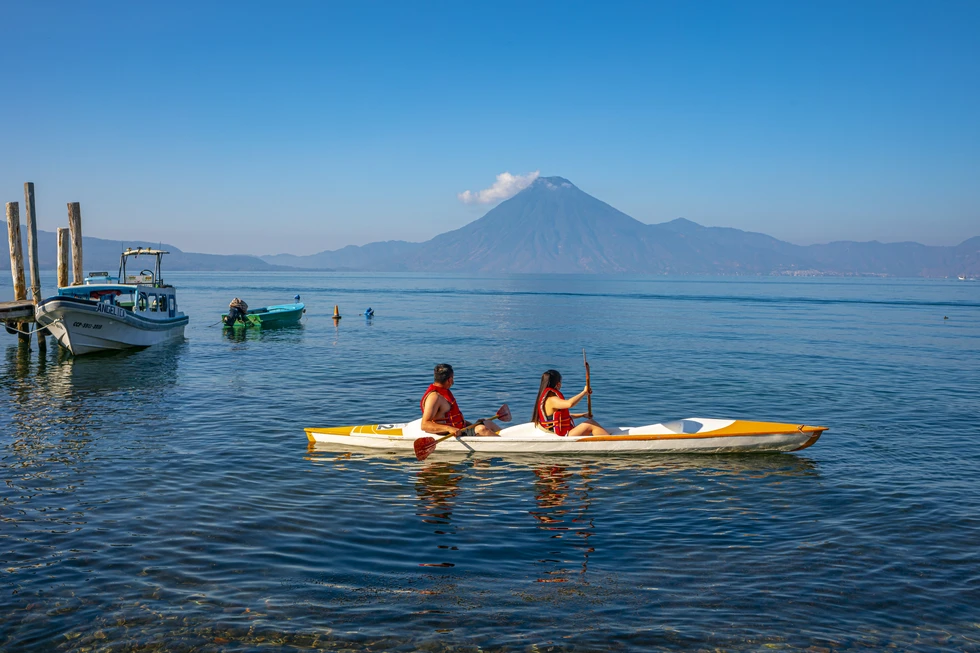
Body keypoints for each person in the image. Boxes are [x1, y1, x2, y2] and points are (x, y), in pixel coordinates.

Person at [421, 363, 501, 437]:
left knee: (487, 423)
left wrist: (473, 424)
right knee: (481, 429)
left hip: (461, 429)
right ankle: (505, 444)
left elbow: (452, 418)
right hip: (450, 434)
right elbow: (424, 425)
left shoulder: (444, 391)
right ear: (449, 380)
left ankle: (506, 438)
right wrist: (449, 429)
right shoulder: (435, 397)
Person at [533, 369, 609, 436]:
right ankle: (609, 442)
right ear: (558, 384)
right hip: (561, 435)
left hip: (555, 431)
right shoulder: (551, 399)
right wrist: (584, 392)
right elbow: (570, 404)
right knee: (591, 423)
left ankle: (605, 437)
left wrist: (582, 415)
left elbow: (563, 417)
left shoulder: (546, 397)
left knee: (591, 424)